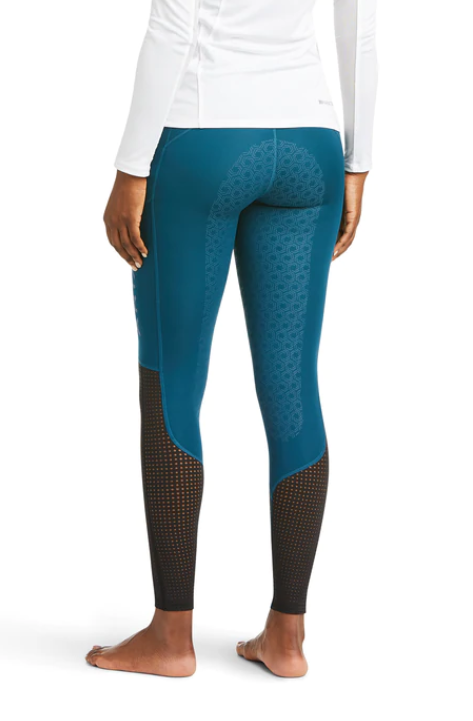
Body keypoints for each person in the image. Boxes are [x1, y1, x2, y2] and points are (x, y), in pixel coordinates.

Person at [86, 0, 377, 678]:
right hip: (309, 148)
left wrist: (131, 166)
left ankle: (171, 637)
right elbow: (359, 24)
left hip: (204, 142)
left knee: (172, 380)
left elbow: (172, 22)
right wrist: (359, 160)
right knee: (292, 388)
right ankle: (287, 638)